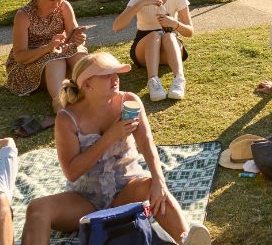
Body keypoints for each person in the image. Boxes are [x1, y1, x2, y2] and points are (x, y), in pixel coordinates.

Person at [20, 53, 211, 245]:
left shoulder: (129, 101)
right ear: (87, 84)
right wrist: (110, 136)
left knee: (154, 187)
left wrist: (159, 181)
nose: (115, 79)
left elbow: (146, 143)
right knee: (37, 208)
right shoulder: (67, 118)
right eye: (106, 75)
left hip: (126, 190)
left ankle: (187, 240)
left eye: (116, 73)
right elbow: (71, 171)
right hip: (84, 199)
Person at [5, 0, 88, 132]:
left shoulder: (64, 7)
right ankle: (60, 107)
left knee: (79, 55)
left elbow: (72, 35)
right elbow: (20, 57)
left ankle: (95, 95)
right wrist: (47, 48)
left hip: (58, 54)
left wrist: (78, 38)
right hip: (29, 63)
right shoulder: (24, 15)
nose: (57, 4)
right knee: (55, 59)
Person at [113, 0, 195, 101]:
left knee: (169, 36)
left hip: (170, 45)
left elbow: (189, 32)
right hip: (145, 47)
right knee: (154, 35)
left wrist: (174, 23)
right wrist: (141, 4)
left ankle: (179, 79)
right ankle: (153, 81)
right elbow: (117, 27)